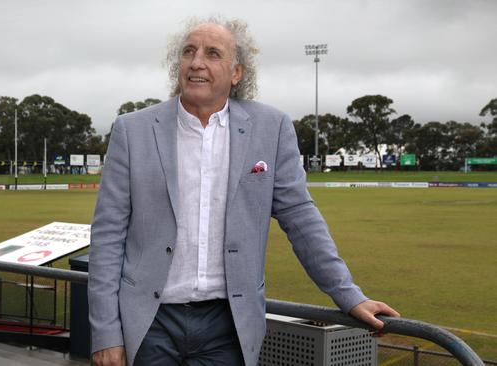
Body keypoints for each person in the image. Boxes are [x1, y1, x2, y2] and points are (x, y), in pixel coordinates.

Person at [88, 17, 399, 366]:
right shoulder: (132, 130)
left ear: (236, 73)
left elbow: (301, 219)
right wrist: (106, 333)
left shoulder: (272, 127)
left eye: (212, 53)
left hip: (228, 327)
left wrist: (349, 296)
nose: (196, 62)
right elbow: (107, 235)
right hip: (148, 323)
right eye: (189, 51)